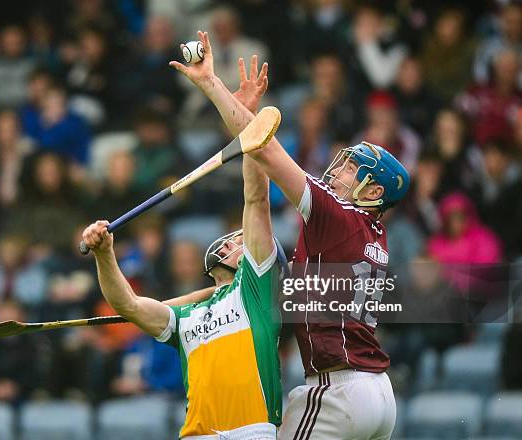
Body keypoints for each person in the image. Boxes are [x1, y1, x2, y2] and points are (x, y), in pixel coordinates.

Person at [170, 31, 410, 440]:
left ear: (373, 193)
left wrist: (213, 85)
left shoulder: (337, 215)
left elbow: (263, 148)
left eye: (353, 169)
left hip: (338, 393)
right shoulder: (373, 236)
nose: (337, 170)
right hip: (379, 396)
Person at [82, 59, 283, 439]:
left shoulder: (256, 292)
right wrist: (105, 253)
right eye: (240, 237)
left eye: (245, 240)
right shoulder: (185, 315)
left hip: (250, 432)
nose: (242, 238)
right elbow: (126, 304)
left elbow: (256, 199)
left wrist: (249, 121)